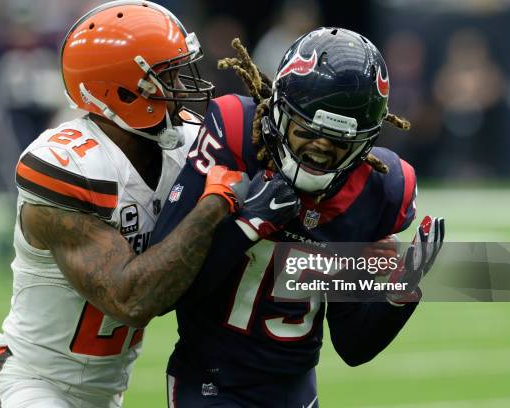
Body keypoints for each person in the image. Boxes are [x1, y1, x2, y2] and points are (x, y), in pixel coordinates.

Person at [0, 2, 299, 407]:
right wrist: (215, 204)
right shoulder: (70, 164)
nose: (183, 85)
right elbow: (130, 300)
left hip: (106, 394)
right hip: (33, 384)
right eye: (169, 75)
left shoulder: (184, 146)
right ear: (125, 89)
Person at [150, 28, 445, 407]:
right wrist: (246, 226)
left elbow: (354, 346)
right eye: (307, 130)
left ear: (365, 143)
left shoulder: (380, 190)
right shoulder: (236, 135)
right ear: (278, 110)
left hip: (296, 392)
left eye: (339, 141)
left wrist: (403, 290)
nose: (321, 147)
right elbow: (166, 290)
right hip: (210, 383)